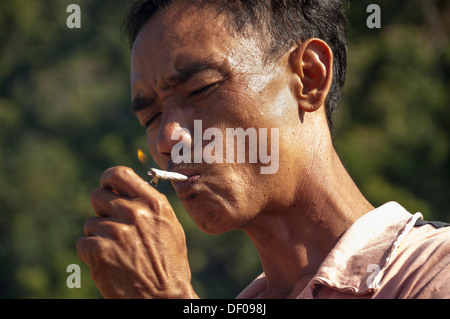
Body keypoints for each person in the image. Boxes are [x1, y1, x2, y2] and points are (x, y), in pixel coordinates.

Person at [76, 0, 450, 299]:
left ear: (308, 77)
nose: (167, 138)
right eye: (151, 116)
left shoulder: (431, 271)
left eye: (199, 90)